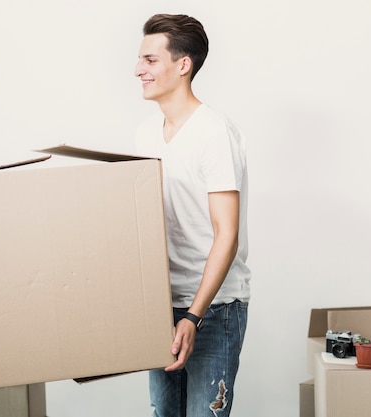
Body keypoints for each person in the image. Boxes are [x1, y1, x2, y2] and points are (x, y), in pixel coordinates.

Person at [134, 14, 251, 417]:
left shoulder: (213, 132)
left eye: (150, 60)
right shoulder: (145, 135)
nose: (138, 70)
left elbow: (226, 234)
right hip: (160, 306)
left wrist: (192, 317)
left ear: (183, 65)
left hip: (214, 308)